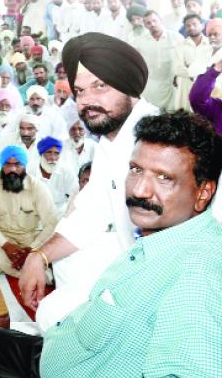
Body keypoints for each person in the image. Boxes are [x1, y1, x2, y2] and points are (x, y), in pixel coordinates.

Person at [0, 111, 222, 377]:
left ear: (203, 192)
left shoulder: (197, 276)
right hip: (59, 352)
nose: (140, 190)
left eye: (164, 178)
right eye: (136, 170)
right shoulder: (158, 242)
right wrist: (38, 257)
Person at [19, 32, 159, 332]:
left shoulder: (159, 144)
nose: (88, 101)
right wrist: (38, 256)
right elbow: (90, 214)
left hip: (154, 291)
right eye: (80, 91)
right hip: (123, 275)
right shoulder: (110, 142)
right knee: (54, 304)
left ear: (130, 87)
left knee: (55, 316)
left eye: (101, 86)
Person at [0, 146, 59, 277]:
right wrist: (5, 245)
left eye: (18, 164)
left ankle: (10, 266)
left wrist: (30, 250)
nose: (12, 169)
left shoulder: (38, 187)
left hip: (30, 241)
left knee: (53, 244)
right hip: (1, 240)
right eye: (8, 164)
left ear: (24, 166)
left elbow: (52, 224)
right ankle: (32, 271)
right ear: (2, 166)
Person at [28, 136, 79, 217]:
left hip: (60, 215)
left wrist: (67, 217)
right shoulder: (30, 170)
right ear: (41, 154)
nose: (53, 158)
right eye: (49, 152)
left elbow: (75, 195)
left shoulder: (66, 170)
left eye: (56, 153)